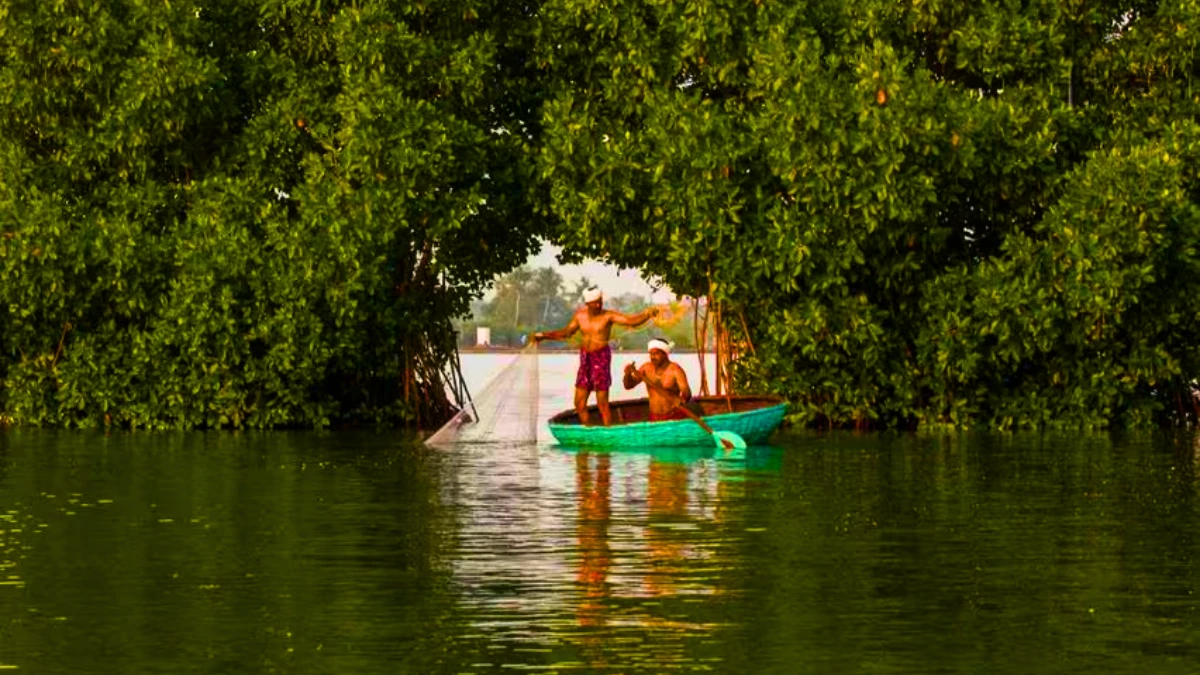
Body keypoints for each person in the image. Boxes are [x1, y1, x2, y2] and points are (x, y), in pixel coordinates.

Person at [533, 287, 659, 426]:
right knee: (579, 403)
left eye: (600, 301)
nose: (599, 305)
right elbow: (567, 332)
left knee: (602, 403)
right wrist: (545, 336)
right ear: (587, 303)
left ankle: (607, 431)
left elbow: (631, 321)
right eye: (595, 303)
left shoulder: (608, 316)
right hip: (585, 358)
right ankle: (588, 431)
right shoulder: (580, 316)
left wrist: (647, 314)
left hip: (601, 357)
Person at [622, 338, 694, 421]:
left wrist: (681, 399)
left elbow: (686, 392)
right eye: (651, 354)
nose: (652, 357)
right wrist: (627, 375)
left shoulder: (675, 370)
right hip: (654, 417)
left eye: (656, 354)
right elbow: (628, 386)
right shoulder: (646, 368)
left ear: (665, 354)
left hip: (673, 415)